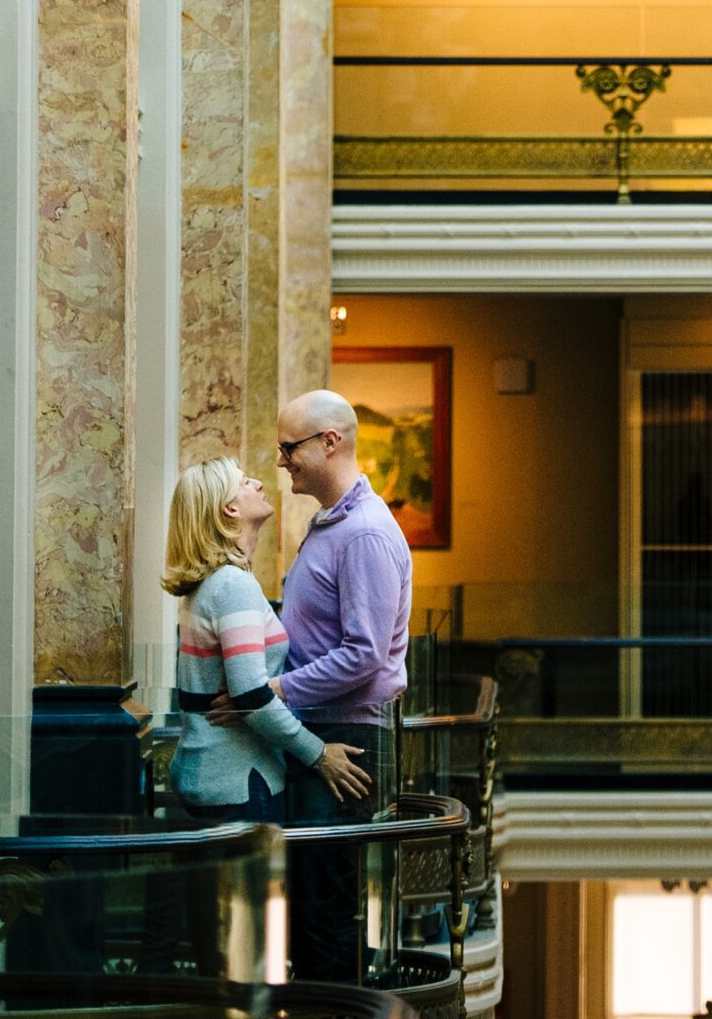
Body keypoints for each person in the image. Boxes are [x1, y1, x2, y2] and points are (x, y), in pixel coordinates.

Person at [274, 389, 413, 980]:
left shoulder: (363, 535)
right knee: (311, 905)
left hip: (344, 734)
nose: (281, 462)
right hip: (324, 725)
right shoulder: (336, 525)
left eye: (289, 448)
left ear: (329, 443)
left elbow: (363, 656)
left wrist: (276, 691)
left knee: (323, 912)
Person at [162, 455, 372, 824]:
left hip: (215, 774)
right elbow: (251, 696)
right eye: (244, 482)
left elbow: (246, 694)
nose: (259, 484)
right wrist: (319, 754)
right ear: (229, 508)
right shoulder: (232, 584)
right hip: (238, 783)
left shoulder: (216, 582)